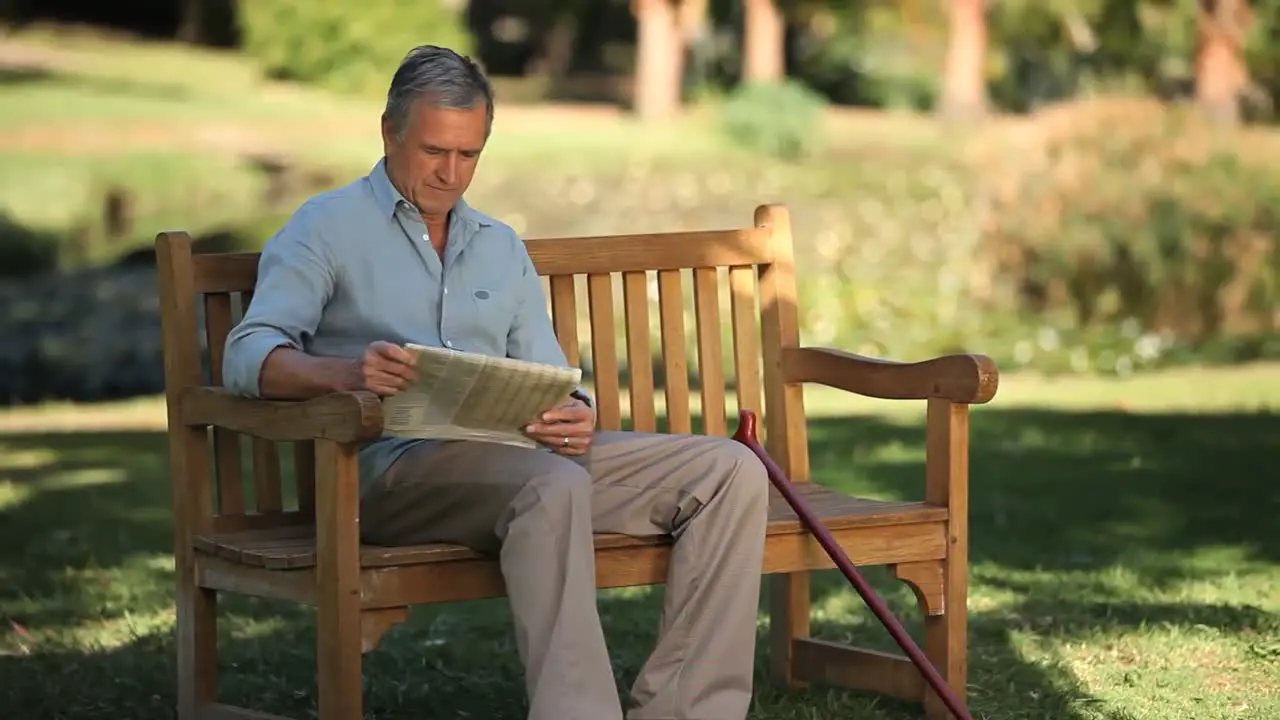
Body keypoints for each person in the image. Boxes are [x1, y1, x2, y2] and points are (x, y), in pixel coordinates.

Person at [222, 44, 770, 720]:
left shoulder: (498, 244)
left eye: (469, 155)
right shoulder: (325, 228)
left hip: (523, 460)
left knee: (729, 472)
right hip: (387, 475)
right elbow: (248, 355)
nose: (451, 174)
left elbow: (545, 370)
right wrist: (346, 374)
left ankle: (689, 713)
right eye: (433, 152)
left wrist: (574, 409)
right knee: (553, 484)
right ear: (390, 132)